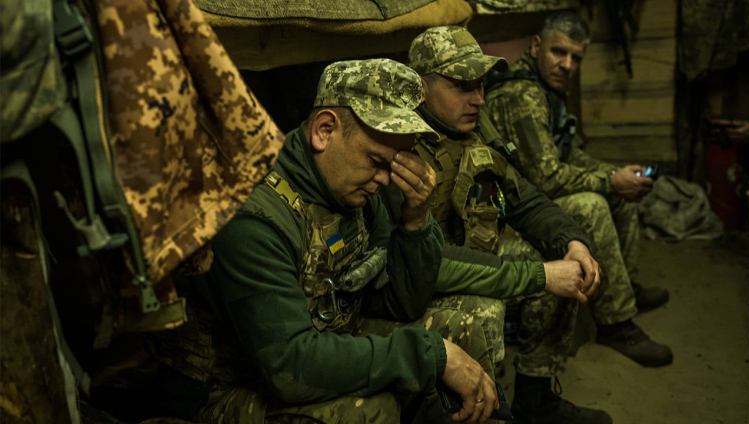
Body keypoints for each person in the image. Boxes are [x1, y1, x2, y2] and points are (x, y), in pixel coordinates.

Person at [138, 58, 504, 424]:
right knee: (368, 410)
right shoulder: (253, 215)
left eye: (394, 164)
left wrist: (416, 221)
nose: (385, 179)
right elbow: (289, 367)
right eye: (377, 160)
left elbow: (402, 304)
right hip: (227, 387)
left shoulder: (355, 191)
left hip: (324, 338)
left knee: (461, 328)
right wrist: (428, 357)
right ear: (324, 130)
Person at [396, 25, 614, 424]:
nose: (479, 99)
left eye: (481, 85)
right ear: (420, 89)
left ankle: (536, 392)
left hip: (475, 260)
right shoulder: (399, 150)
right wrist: (538, 276)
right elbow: (428, 263)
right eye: (463, 86)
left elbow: (525, 199)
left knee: (559, 260)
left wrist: (572, 243)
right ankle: (485, 408)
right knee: (484, 308)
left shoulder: (475, 131)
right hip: (426, 281)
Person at [484, 12, 674, 365]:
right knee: (592, 204)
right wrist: (607, 182)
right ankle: (616, 322)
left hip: (536, 199)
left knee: (619, 193)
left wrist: (617, 174)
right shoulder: (521, 95)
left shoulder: (548, 89)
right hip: (510, 215)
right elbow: (546, 178)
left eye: (576, 57)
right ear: (537, 46)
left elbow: (571, 155)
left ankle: (624, 287)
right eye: (559, 52)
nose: (567, 64)